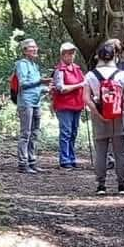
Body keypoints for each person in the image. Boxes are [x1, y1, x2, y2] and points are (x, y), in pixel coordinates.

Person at [84, 41, 124, 195]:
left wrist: (97, 112)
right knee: (121, 152)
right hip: (119, 117)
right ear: (115, 56)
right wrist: (121, 108)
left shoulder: (91, 75)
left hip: (100, 115)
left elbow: (86, 98)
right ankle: (122, 185)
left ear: (98, 57)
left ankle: (101, 185)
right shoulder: (122, 74)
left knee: (100, 151)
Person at [14, 38, 50, 174]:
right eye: (31, 47)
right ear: (24, 50)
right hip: (26, 102)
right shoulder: (21, 64)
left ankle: (32, 161)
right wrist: (40, 81)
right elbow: (23, 84)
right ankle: (23, 163)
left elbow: (36, 86)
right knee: (26, 133)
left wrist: (46, 88)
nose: (35, 49)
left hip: (36, 102)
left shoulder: (35, 66)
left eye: (35, 47)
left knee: (35, 132)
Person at [52, 41, 86, 170]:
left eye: (72, 53)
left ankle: (72, 158)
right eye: (67, 54)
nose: (70, 56)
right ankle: (64, 160)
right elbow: (61, 88)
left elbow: (85, 82)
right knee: (66, 133)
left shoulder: (77, 69)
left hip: (77, 105)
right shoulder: (59, 70)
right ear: (62, 55)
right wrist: (78, 86)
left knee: (73, 133)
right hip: (64, 106)